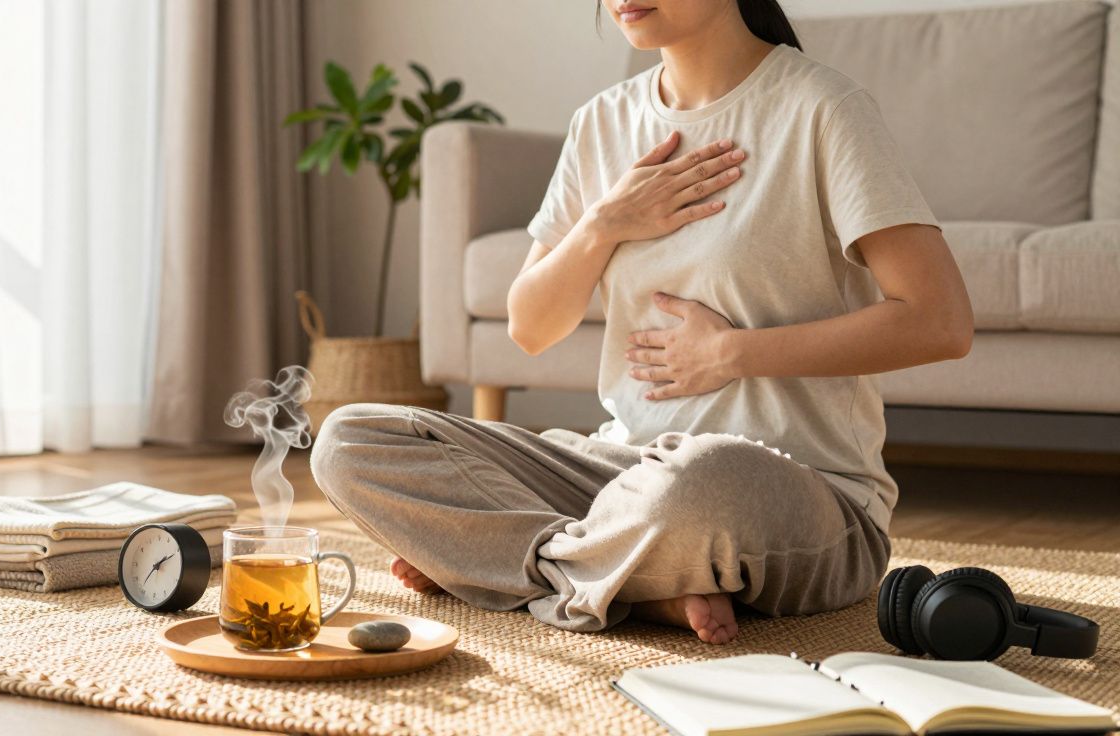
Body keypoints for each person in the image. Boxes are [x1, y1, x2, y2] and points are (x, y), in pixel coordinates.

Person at [309, 0, 973, 644]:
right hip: (621, 472)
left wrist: (732, 354)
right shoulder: (603, 123)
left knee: (696, 483)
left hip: (792, 492)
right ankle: (637, 586)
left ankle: (504, 566)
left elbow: (940, 320)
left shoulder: (821, 108)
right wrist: (605, 224)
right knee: (348, 441)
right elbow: (530, 326)